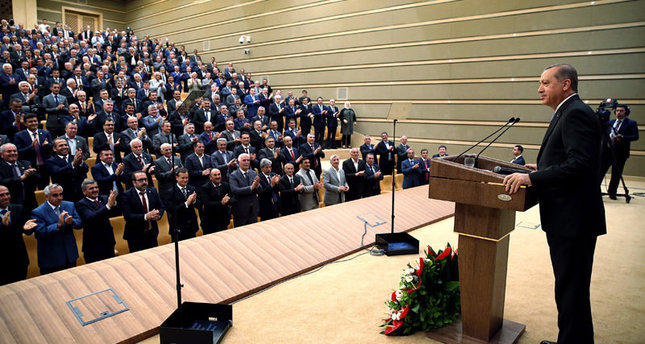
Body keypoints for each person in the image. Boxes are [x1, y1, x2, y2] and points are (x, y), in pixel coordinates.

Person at [503, 64, 606, 344]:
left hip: (573, 219)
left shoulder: (575, 114)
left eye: (545, 83)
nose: (539, 89)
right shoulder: (568, 112)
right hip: (569, 216)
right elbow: (570, 159)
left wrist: (532, 178)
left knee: (571, 288)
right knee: (569, 287)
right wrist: (543, 166)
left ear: (566, 84)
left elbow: (581, 166)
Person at [31, 184, 83, 274]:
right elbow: (40, 233)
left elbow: (79, 222)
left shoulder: (69, 205)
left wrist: (72, 222)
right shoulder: (38, 212)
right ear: (46, 197)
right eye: (55, 195)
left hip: (70, 255)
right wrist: (58, 225)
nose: (59, 198)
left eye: (61, 194)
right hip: (51, 259)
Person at [120, 170, 165, 252]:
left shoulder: (153, 191)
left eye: (145, 179)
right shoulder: (127, 195)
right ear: (134, 182)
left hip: (152, 233)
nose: (144, 182)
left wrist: (158, 215)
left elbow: (161, 206)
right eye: (141, 180)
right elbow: (128, 216)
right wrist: (145, 216)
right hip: (135, 236)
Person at [75, 180, 118, 263]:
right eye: (91, 188)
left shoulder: (104, 198)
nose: (95, 190)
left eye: (96, 187)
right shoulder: (81, 204)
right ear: (84, 192)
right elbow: (91, 217)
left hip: (108, 242)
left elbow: (114, 210)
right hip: (93, 245)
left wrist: (114, 202)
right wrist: (108, 205)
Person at [604, 104, 639, 199]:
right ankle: (595, 191)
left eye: (621, 111)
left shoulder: (631, 123)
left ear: (626, 112)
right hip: (607, 151)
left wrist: (623, 138)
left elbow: (635, 136)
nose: (619, 112)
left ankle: (612, 192)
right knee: (600, 171)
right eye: (617, 110)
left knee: (616, 174)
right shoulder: (610, 122)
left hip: (620, 153)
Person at [0, 184, 30, 285]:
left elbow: (25, 229)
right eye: (1, 195)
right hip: (2, 263)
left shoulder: (18, 208)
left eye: (7, 194)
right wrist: (2, 226)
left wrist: (27, 229)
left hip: (19, 260)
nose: (5, 197)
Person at [0, 143, 39, 211]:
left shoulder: (26, 164)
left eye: (15, 151)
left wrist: (32, 174)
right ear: (1, 155)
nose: (13, 153)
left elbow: (38, 180)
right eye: (9, 151)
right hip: (10, 204)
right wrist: (20, 178)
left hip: (29, 203)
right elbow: (2, 182)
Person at [228, 153, 262, 227]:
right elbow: (235, 190)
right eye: (244, 160)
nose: (246, 162)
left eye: (248, 160)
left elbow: (259, 190)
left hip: (253, 209)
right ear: (239, 162)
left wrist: (257, 185)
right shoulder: (233, 175)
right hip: (240, 210)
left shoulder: (253, 173)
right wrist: (251, 188)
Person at [167, 168, 200, 241]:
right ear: (176, 178)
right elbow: (172, 210)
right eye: (183, 178)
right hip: (178, 227)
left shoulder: (192, 188)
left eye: (187, 178)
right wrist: (186, 203)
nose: (185, 180)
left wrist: (194, 201)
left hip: (191, 226)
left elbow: (199, 205)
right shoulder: (171, 192)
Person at [199, 168, 231, 234]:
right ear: (210, 177)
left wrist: (228, 200)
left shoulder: (226, 185)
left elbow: (230, 197)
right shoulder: (205, 188)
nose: (218, 177)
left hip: (223, 220)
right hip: (210, 222)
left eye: (219, 174)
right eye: (215, 175)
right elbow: (206, 203)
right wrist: (221, 203)